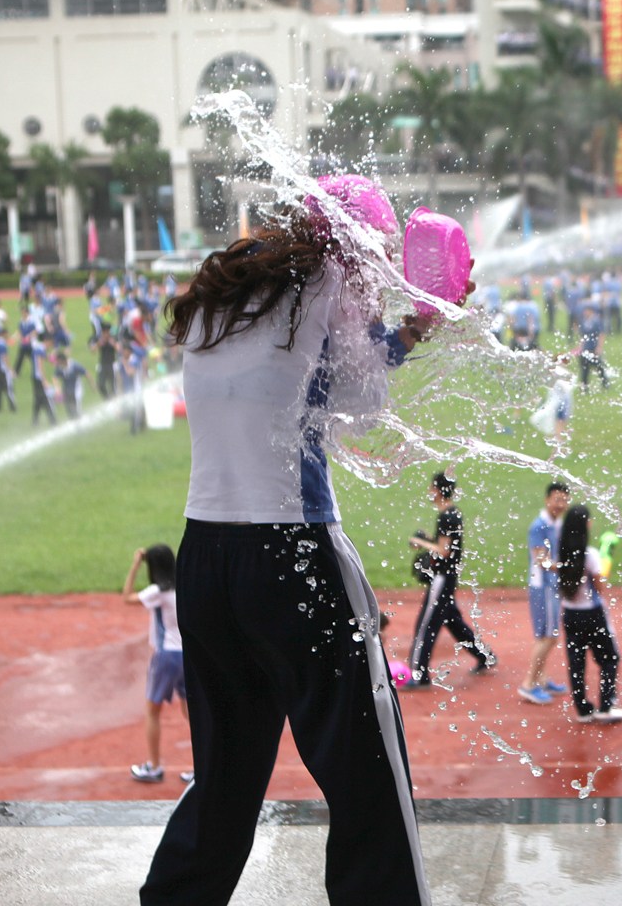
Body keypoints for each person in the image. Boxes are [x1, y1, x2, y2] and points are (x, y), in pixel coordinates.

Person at [141, 176, 454, 905]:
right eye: (372, 250)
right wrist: (410, 331)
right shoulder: (326, 288)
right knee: (370, 780)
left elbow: (300, 389)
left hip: (207, 561)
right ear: (349, 243)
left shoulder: (224, 290)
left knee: (225, 780)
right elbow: (363, 405)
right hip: (296, 555)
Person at [406, 470, 496, 686]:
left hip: (442, 579)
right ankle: (485, 656)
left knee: (426, 625)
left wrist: (421, 543)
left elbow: (443, 551)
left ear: (437, 490)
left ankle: (419, 675)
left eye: (431, 488)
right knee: (453, 622)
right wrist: (431, 539)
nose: (429, 491)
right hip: (449, 578)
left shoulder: (447, 516)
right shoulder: (453, 513)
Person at [122, 544, 192, 786]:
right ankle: (202, 767)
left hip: (165, 657)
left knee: (152, 712)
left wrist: (134, 565)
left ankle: (153, 767)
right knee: (191, 713)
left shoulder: (157, 591)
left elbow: (127, 597)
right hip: (188, 656)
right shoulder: (183, 586)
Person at [556, 504, 622, 723]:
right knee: (609, 658)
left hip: (570, 614)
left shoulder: (561, 553)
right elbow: (600, 586)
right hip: (592, 614)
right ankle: (606, 705)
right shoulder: (591, 555)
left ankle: (583, 709)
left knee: (576, 662)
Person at [519, 482, 571, 705]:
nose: (561, 504)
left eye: (564, 500)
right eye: (557, 499)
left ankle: (541, 678)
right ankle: (528, 684)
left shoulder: (557, 522)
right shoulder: (539, 526)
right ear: (547, 499)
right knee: (549, 636)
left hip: (552, 585)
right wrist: (568, 567)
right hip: (544, 586)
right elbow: (541, 560)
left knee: (545, 635)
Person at [54, 350, 89, 420]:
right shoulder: (59, 367)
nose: (57, 363)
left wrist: (92, 384)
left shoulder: (74, 365)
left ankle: (80, 418)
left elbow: (86, 373)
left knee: (76, 406)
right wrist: (57, 389)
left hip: (76, 388)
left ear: (62, 360)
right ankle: (73, 419)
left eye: (58, 361)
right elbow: (55, 377)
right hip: (66, 389)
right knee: (68, 406)